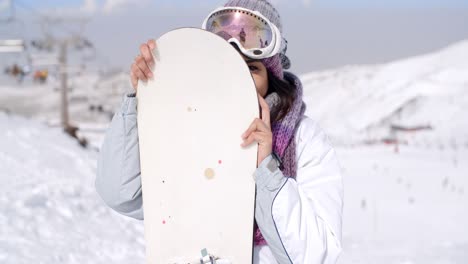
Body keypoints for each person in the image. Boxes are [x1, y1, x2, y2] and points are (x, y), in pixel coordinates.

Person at [95, 0, 344, 263]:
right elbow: (121, 195)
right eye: (229, 65)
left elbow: (317, 255)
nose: (238, 78)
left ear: (271, 79)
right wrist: (144, 99)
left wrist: (267, 170)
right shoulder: (182, 122)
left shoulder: (303, 138)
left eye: (251, 68)